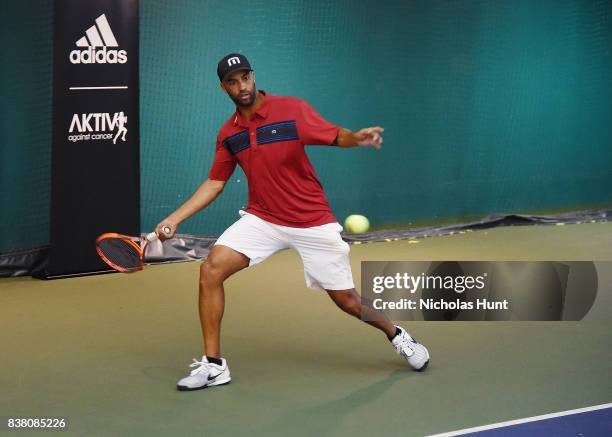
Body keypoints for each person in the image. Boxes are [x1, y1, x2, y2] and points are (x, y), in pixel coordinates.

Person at [155, 53, 430, 391]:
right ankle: (214, 366)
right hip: (263, 219)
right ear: (223, 87)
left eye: (245, 77)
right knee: (211, 269)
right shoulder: (229, 133)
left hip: (311, 220)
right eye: (232, 81)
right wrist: (174, 218)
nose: (241, 86)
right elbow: (215, 182)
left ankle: (397, 335)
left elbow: (333, 134)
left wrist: (355, 138)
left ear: (253, 77)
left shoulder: (291, 109)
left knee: (348, 301)